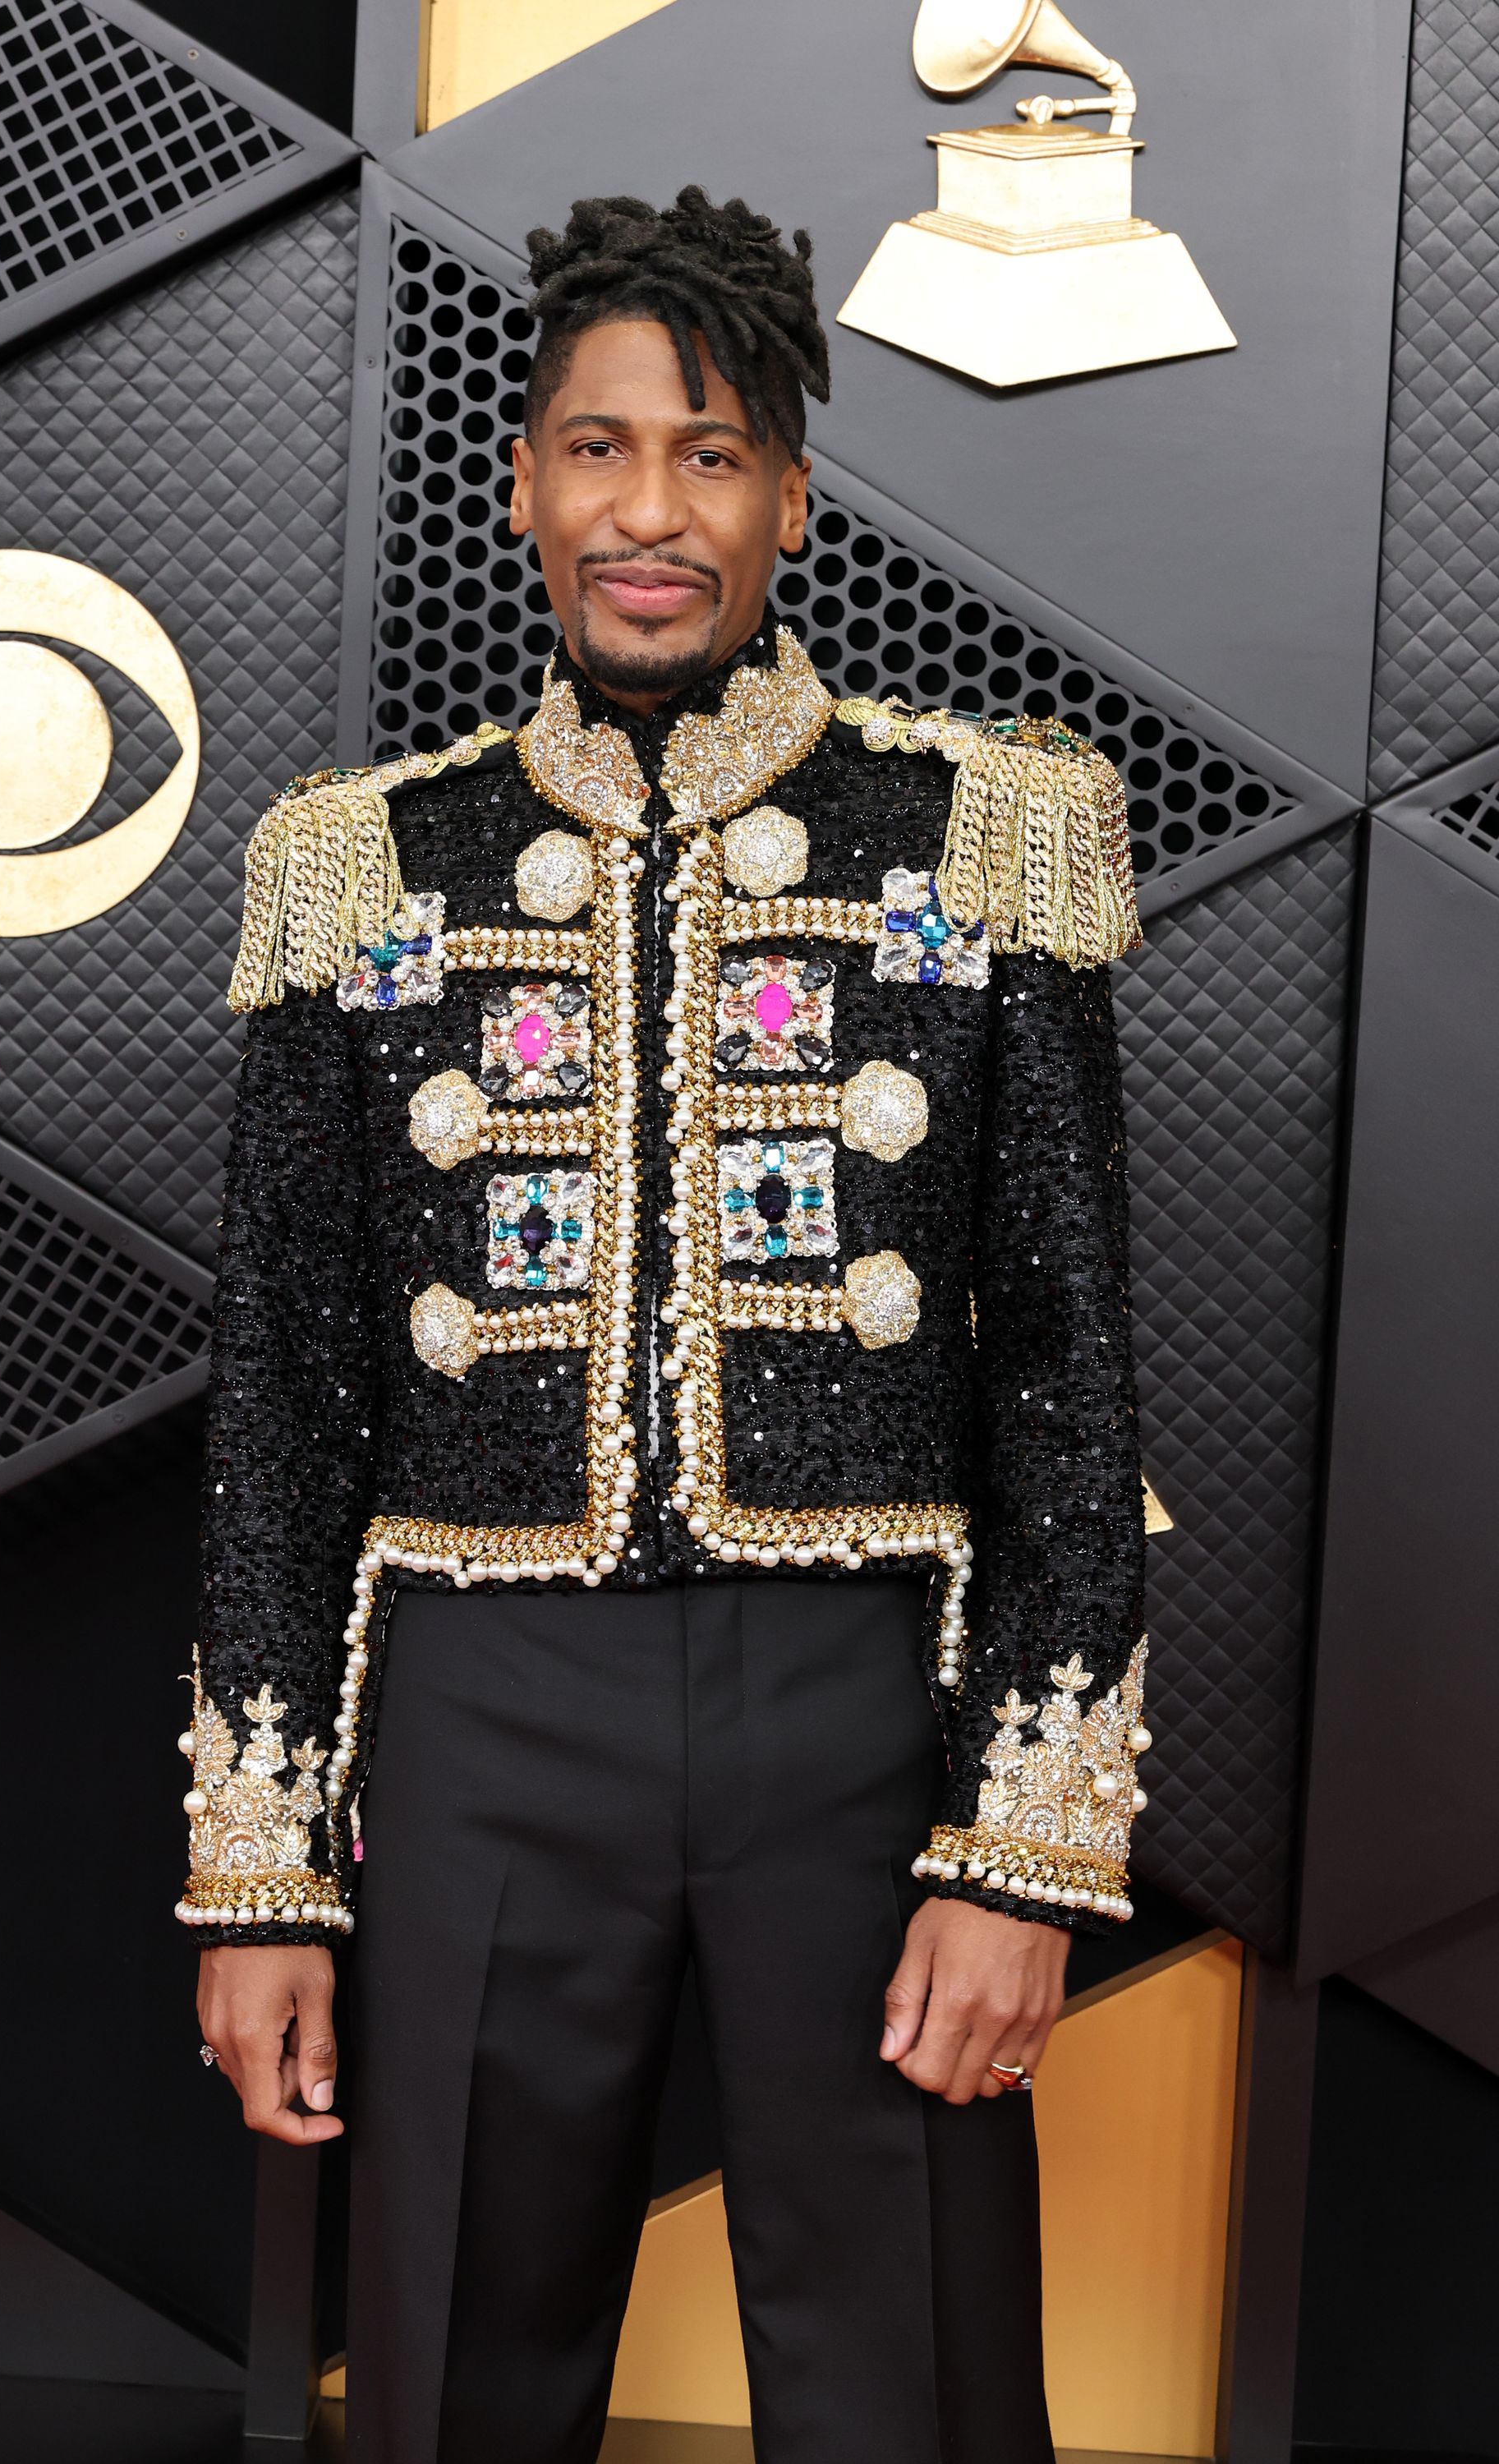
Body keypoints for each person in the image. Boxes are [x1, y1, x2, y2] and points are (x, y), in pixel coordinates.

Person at [182, 187, 1148, 2464]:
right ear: (522, 481)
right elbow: (291, 1409)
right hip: (484, 1717)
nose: (647, 509)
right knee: (448, 2381)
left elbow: (1070, 1376)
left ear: (794, 498)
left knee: (909, 2375)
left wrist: (1018, 1856)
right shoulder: (362, 866)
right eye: (597, 448)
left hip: (861, 1715)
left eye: (708, 455)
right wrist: (262, 1874)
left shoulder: (983, 835)